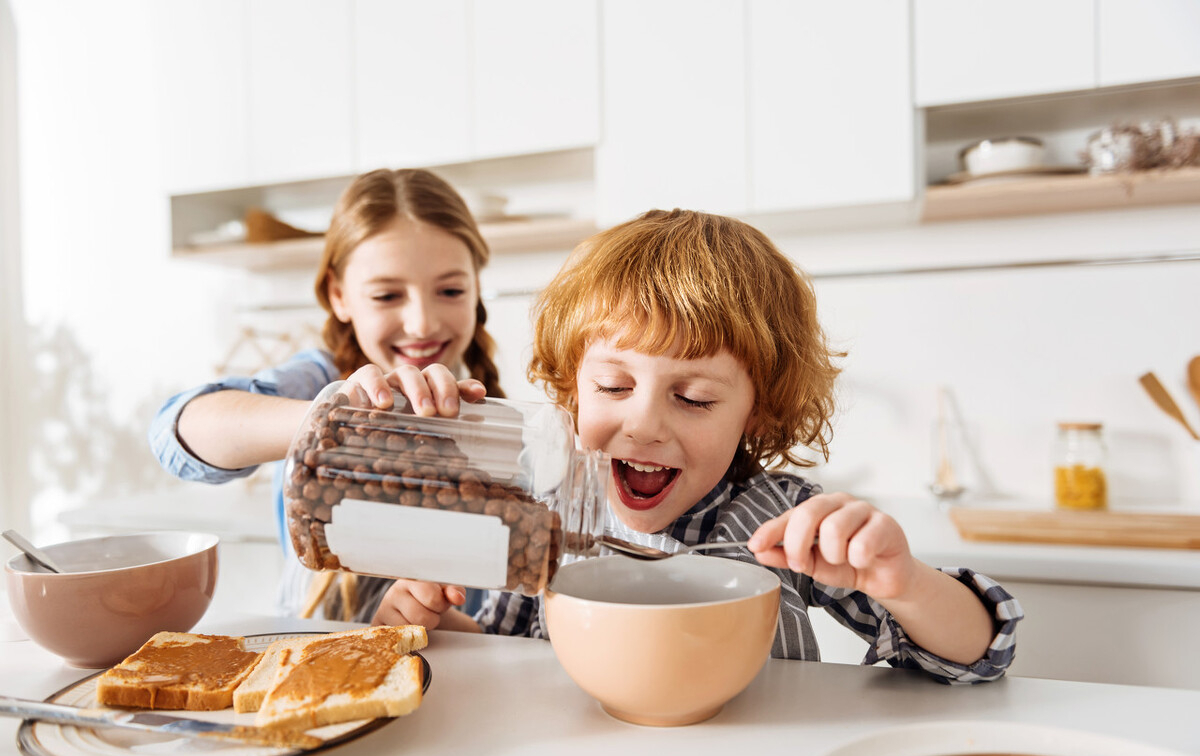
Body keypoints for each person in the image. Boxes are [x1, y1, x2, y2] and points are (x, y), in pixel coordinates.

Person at [373, 208, 1023, 684]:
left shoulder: (785, 522)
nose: (644, 425)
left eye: (694, 399)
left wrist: (904, 582)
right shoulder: (539, 514)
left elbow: (976, 658)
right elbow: (508, 662)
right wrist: (443, 629)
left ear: (759, 413)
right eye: (613, 385)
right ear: (572, 392)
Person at [149, 167, 504, 623]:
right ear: (339, 295)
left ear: (476, 288)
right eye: (386, 295)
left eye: (450, 290)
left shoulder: (489, 412)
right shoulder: (319, 380)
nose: (422, 323)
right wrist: (335, 420)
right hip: (314, 663)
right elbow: (175, 431)